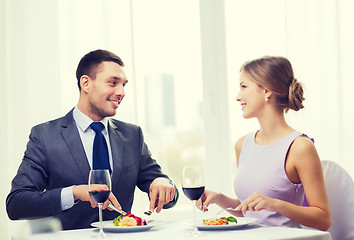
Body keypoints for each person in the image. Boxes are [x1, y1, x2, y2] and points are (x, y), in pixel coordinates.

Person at [6, 49, 178, 230]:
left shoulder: (132, 135)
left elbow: (165, 195)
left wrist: (163, 184)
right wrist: (75, 193)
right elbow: (17, 204)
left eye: (124, 85)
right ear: (86, 83)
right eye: (113, 83)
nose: (121, 92)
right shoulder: (45, 136)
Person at [196, 56, 331, 231]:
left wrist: (276, 204)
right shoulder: (242, 145)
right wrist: (220, 198)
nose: (238, 96)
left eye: (244, 87)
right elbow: (251, 211)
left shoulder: (300, 147)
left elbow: (323, 219)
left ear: (267, 91)